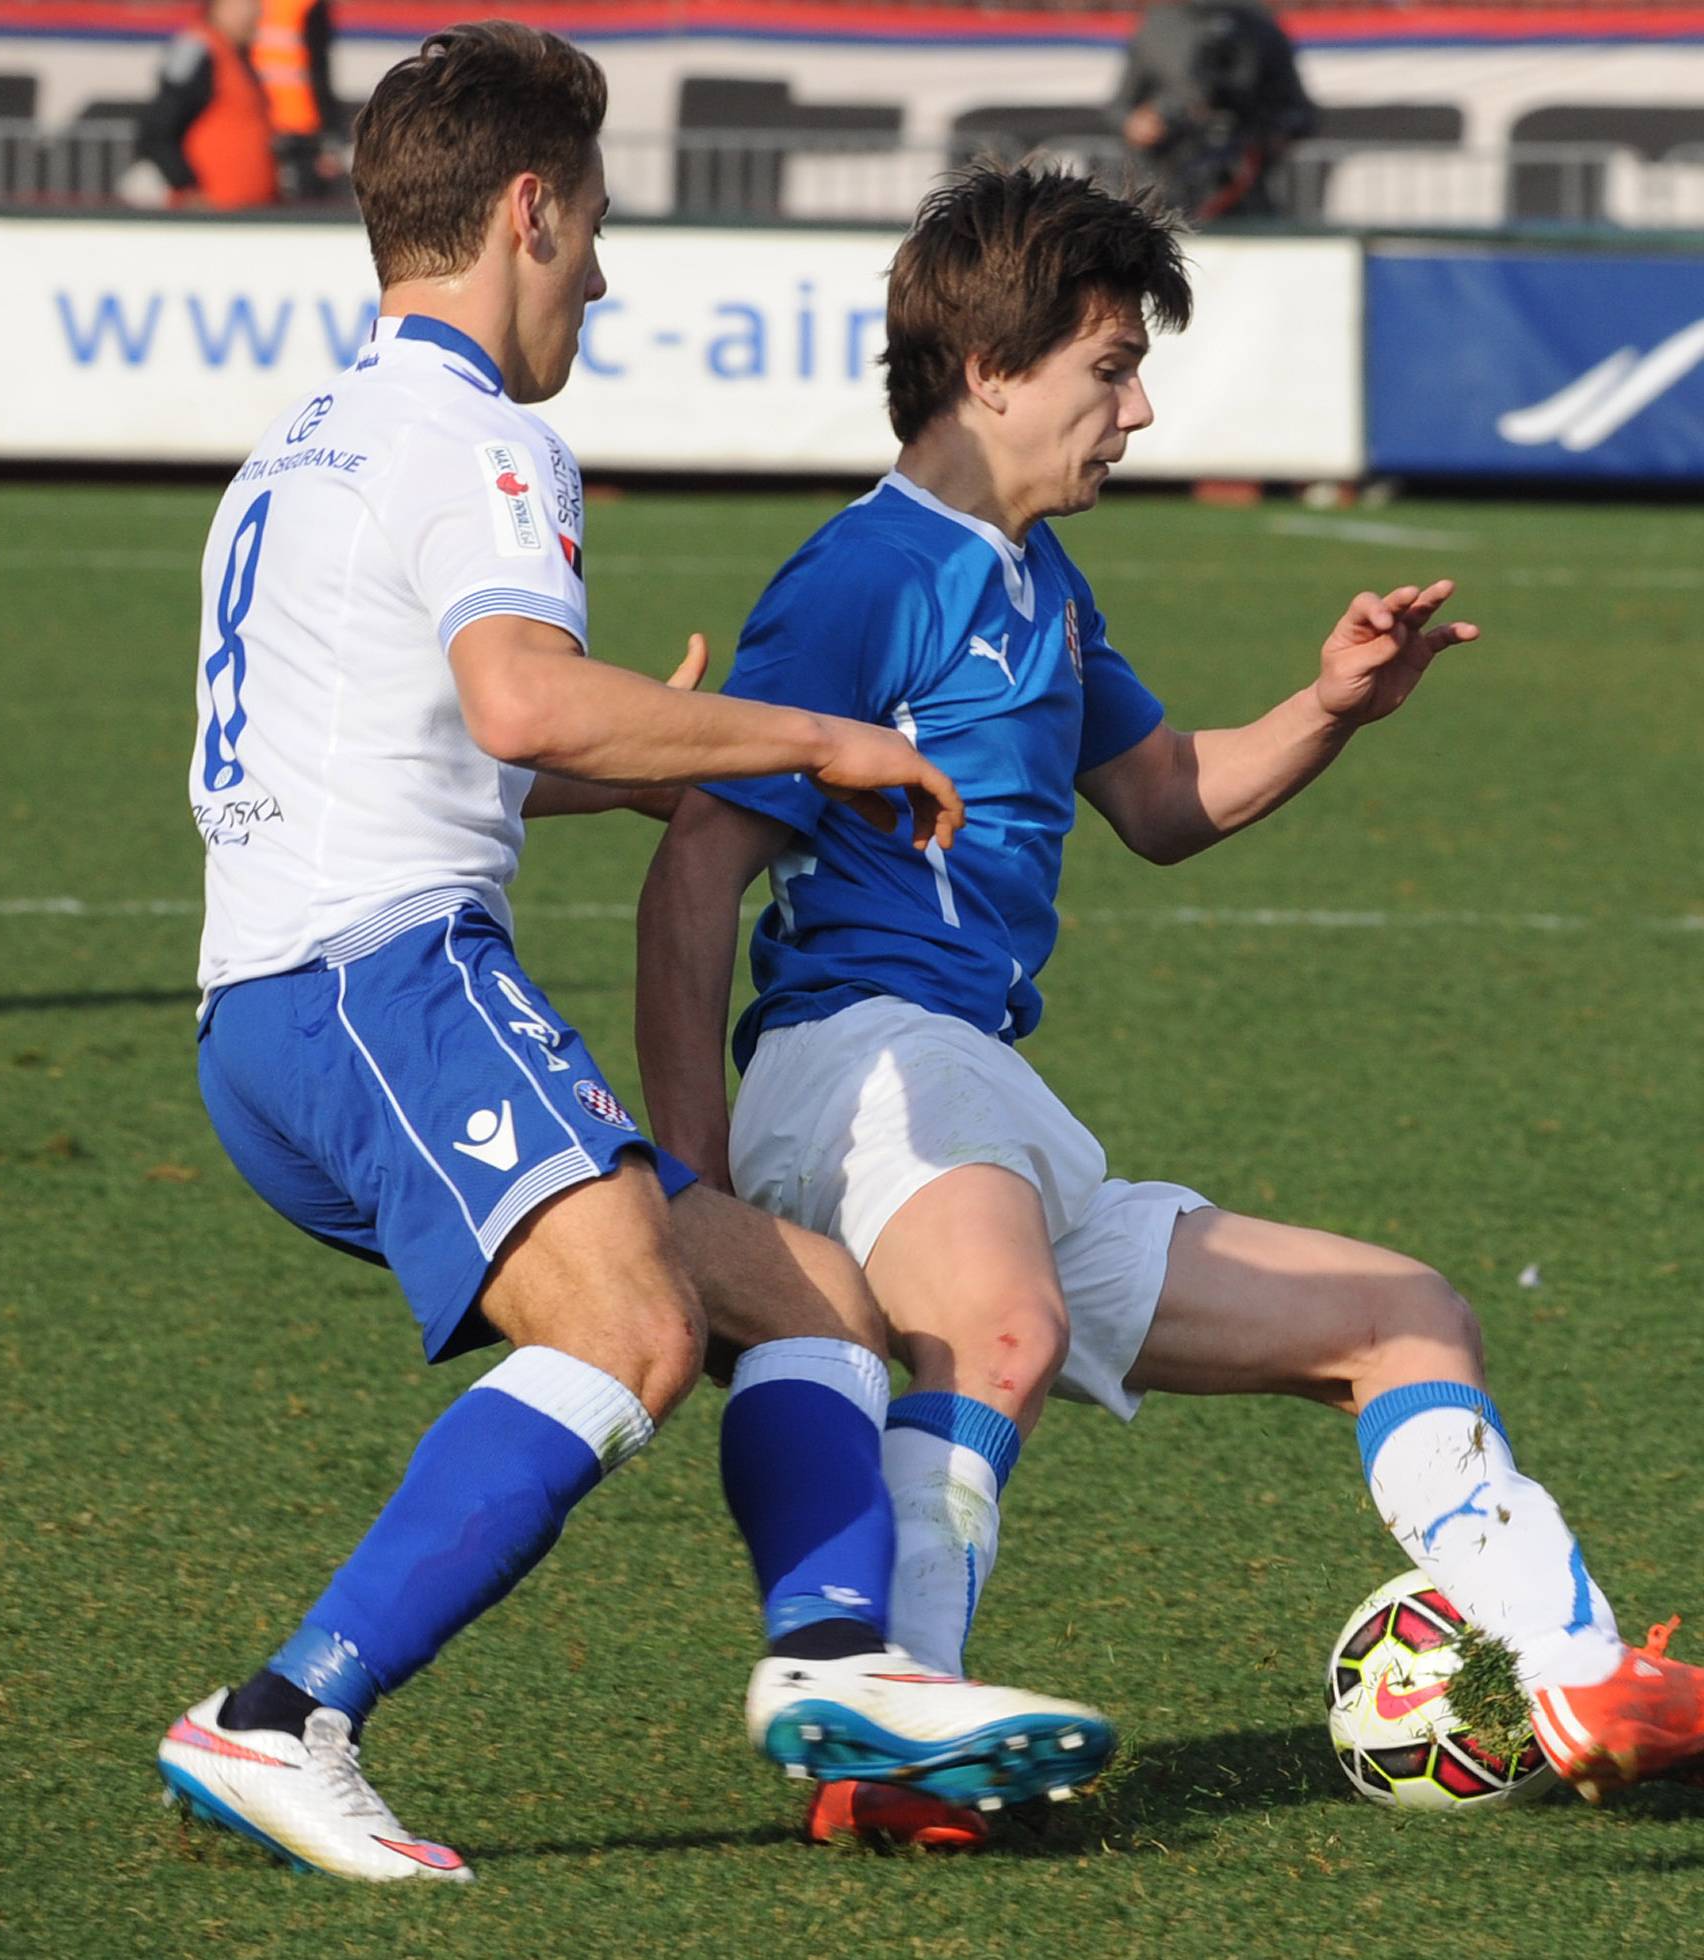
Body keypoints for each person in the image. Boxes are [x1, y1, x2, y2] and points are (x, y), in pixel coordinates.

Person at [635, 162, 1704, 1846]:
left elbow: (1162, 799)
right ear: (990, 373)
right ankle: (889, 1730)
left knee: (1405, 1316)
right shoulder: (865, 575)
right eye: (1109, 367)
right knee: (999, 1328)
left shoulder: (1039, 582)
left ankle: (1580, 1671)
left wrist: (1335, 705)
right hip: (862, 1068)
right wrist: (687, 1176)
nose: (1138, 409)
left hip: (984, 1098)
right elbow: (699, 863)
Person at [156, 29, 1113, 1885]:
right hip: (385, 983)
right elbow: (518, 704)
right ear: (527, 209)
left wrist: (638, 739)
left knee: (815, 1299)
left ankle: (846, 1662)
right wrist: (809, 738)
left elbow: (435, 742)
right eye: (591, 226)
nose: (601, 274)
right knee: (638, 1324)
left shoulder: (305, 443)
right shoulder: (483, 432)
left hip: (285, 1004)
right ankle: (285, 1713)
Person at [1112, 0, 1315, 221]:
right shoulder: (1157, 26)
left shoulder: (1263, 27)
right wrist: (1137, 123)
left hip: (1245, 194)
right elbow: (1119, 108)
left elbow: (1301, 113)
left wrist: (1274, 134)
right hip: (1167, 185)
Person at [123, 0, 278, 211]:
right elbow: (157, 131)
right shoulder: (200, 51)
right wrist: (186, 187)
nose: (254, 14)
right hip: (210, 214)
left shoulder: (239, 55)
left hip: (249, 211)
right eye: (244, 5)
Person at [254, 0, 351, 201]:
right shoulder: (307, 6)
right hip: (299, 128)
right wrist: (331, 134)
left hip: (271, 127)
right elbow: (319, 72)